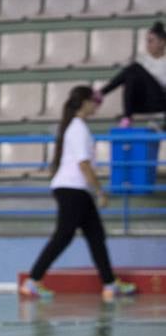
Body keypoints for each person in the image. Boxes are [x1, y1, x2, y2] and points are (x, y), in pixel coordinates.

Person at [21, 85, 137, 304]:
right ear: (84, 102)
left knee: (96, 236)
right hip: (72, 189)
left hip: (75, 190)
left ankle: (109, 283)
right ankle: (33, 280)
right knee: (64, 236)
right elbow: (84, 164)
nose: (97, 106)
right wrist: (100, 191)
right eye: (95, 101)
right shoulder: (78, 128)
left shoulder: (76, 127)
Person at [96, 21, 166, 127]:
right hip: (144, 104)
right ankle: (127, 116)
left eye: (151, 41)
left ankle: (101, 93)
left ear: (162, 42)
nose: (148, 45)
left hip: (161, 102)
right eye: (147, 41)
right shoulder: (142, 60)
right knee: (131, 73)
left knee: (134, 68)